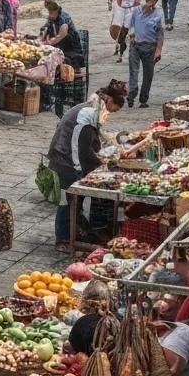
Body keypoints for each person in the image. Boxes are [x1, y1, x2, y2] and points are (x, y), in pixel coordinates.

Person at [47, 82, 127, 252]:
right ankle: (63, 239)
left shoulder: (94, 109)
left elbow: (92, 141)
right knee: (67, 200)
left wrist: (102, 157)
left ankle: (74, 232)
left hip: (69, 158)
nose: (110, 113)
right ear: (109, 100)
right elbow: (79, 147)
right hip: (65, 160)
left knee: (76, 200)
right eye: (113, 109)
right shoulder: (88, 113)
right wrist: (92, 167)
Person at [128, 0, 164, 109]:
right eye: (150, 3)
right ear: (147, 0)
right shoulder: (137, 11)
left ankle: (143, 98)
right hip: (136, 45)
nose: (151, 6)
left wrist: (158, 50)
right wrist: (132, 36)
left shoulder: (157, 15)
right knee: (133, 70)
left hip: (150, 47)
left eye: (154, 3)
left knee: (148, 74)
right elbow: (132, 25)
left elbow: (160, 34)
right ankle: (131, 94)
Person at [40, 0, 84, 68]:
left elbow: (61, 35)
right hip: (59, 47)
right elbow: (45, 29)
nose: (48, 16)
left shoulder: (63, 18)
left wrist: (47, 43)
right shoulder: (51, 18)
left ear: (56, 11)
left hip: (71, 50)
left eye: (50, 13)